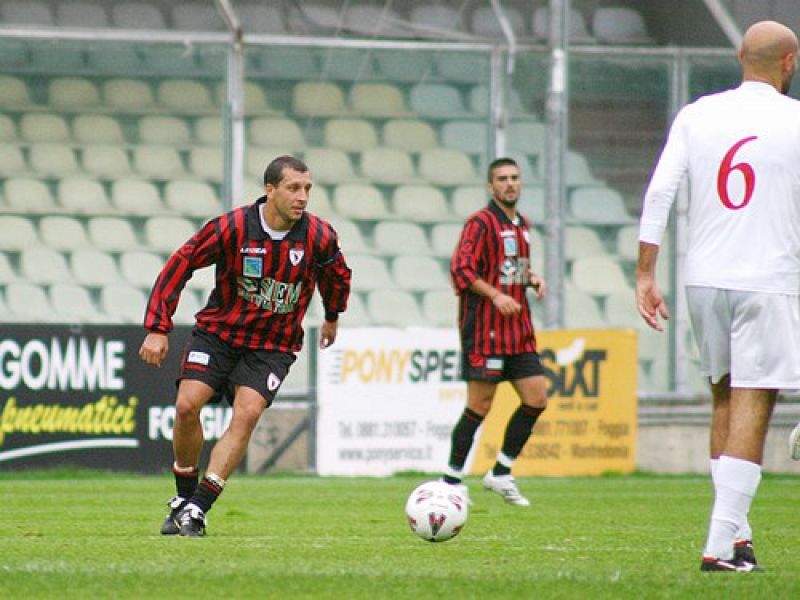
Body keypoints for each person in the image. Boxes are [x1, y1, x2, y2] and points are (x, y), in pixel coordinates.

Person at [636, 21, 800, 572]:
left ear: (739, 57)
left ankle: (739, 537)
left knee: (724, 397)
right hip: (766, 277)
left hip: (702, 278)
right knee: (755, 401)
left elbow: (660, 190)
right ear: (790, 62)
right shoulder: (796, 122)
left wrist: (644, 273)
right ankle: (717, 545)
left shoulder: (697, 113)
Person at [139, 155, 351, 537]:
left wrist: (332, 316)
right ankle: (183, 499)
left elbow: (337, 277)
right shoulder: (233, 227)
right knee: (187, 406)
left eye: (307, 189)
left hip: (273, 344)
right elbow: (181, 262)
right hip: (219, 334)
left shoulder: (319, 236)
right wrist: (157, 327)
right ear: (269, 190)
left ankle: (198, 508)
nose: (302, 197)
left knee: (248, 412)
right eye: (293, 188)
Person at [441, 157, 548, 507]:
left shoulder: (523, 225)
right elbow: (462, 270)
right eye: (502, 179)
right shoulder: (480, 224)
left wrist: (530, 278)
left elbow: (510, 266)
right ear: (491, 187)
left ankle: (501, 473)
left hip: (518, 330)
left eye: (515, 178)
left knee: (536, 398)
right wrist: (496, 295)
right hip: (485, 330)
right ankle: (452, 481)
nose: (510, 184)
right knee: (480, 405)